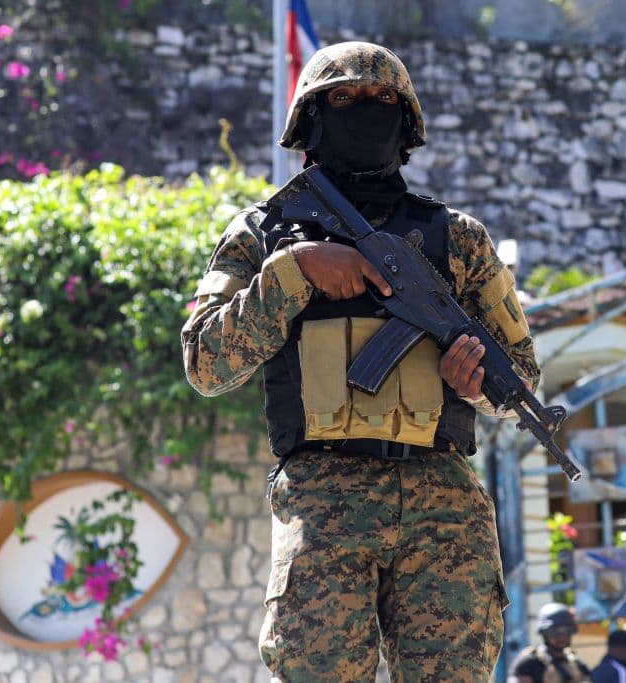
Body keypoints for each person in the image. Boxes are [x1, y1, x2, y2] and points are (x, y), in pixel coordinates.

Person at [182, 40, 540, 681]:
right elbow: (206, 363)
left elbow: (522, 379)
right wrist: (293, 273)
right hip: (325, 501)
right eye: (344, 98)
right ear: (312, 120)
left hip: (443, 504)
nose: (366, 110)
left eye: (382, 99)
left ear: (406, 122)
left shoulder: (459, 239)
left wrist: (476, 384)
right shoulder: (263, 233)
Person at [508, 602, 591, 683]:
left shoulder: (575, 662)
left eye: (566, 631)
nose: (561, 637)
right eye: (554, 632)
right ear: (544, 634)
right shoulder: (530, 663)